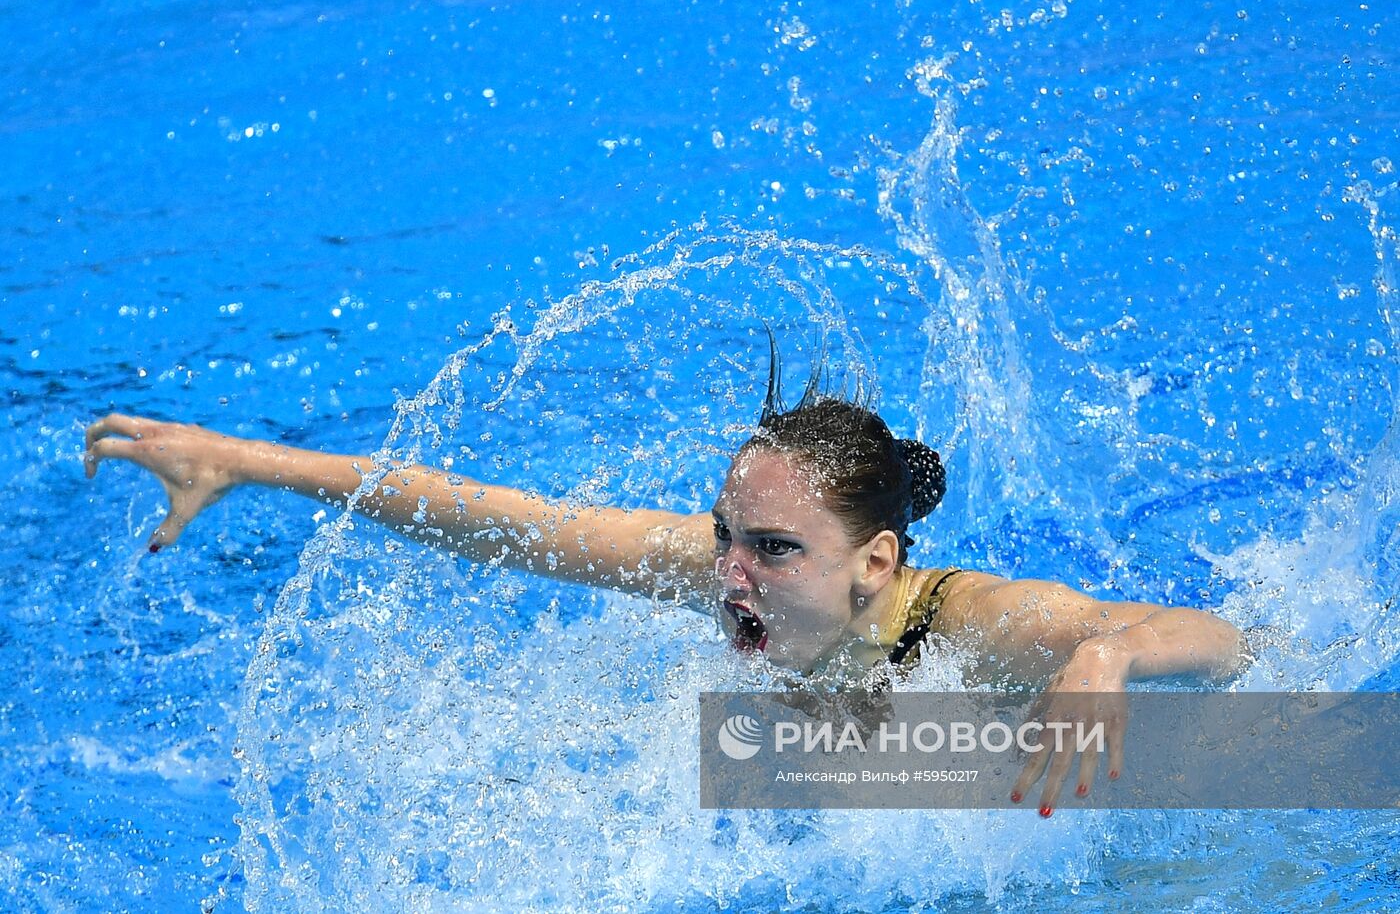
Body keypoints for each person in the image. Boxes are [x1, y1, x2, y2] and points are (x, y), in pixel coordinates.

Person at [83, 378, 1247, 816]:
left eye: (776, 549)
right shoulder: (720, 569)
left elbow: (1229, 642)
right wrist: (244, 459)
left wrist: (1107, 659)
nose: (731, 572)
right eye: (726, 534)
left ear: (877, 564)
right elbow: (495, 519)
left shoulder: (972, 623)